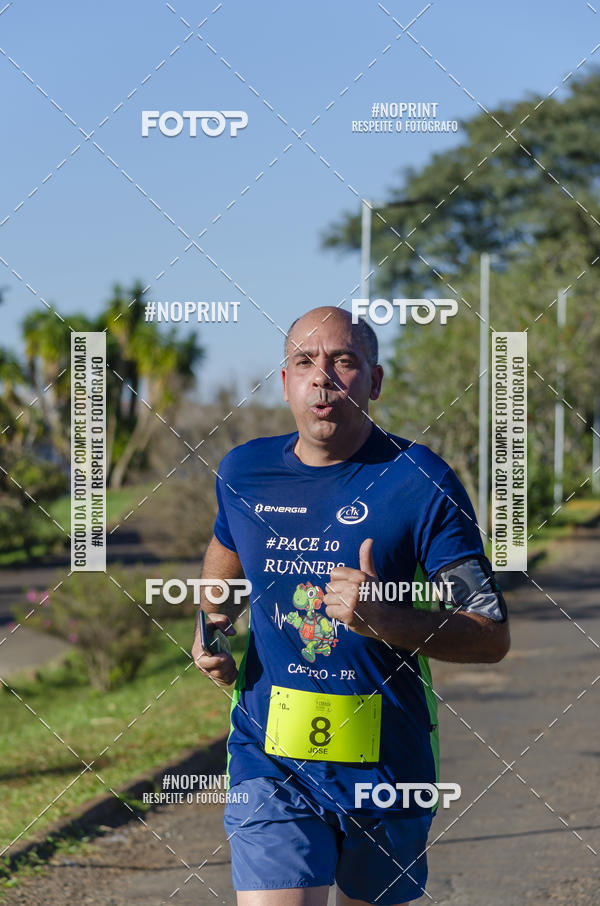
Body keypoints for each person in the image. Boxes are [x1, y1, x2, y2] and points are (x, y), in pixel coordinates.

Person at [192, 306, 510, 906]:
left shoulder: (422, 480)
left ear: (375, 381)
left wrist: (386, 618)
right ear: (284, 381)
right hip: (270, 755)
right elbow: (227, 548)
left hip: (390, 762)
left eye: (344, 361)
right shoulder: (245, 472)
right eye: (304, 363)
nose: (323, 378)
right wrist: (212, 624)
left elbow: (489, 634)